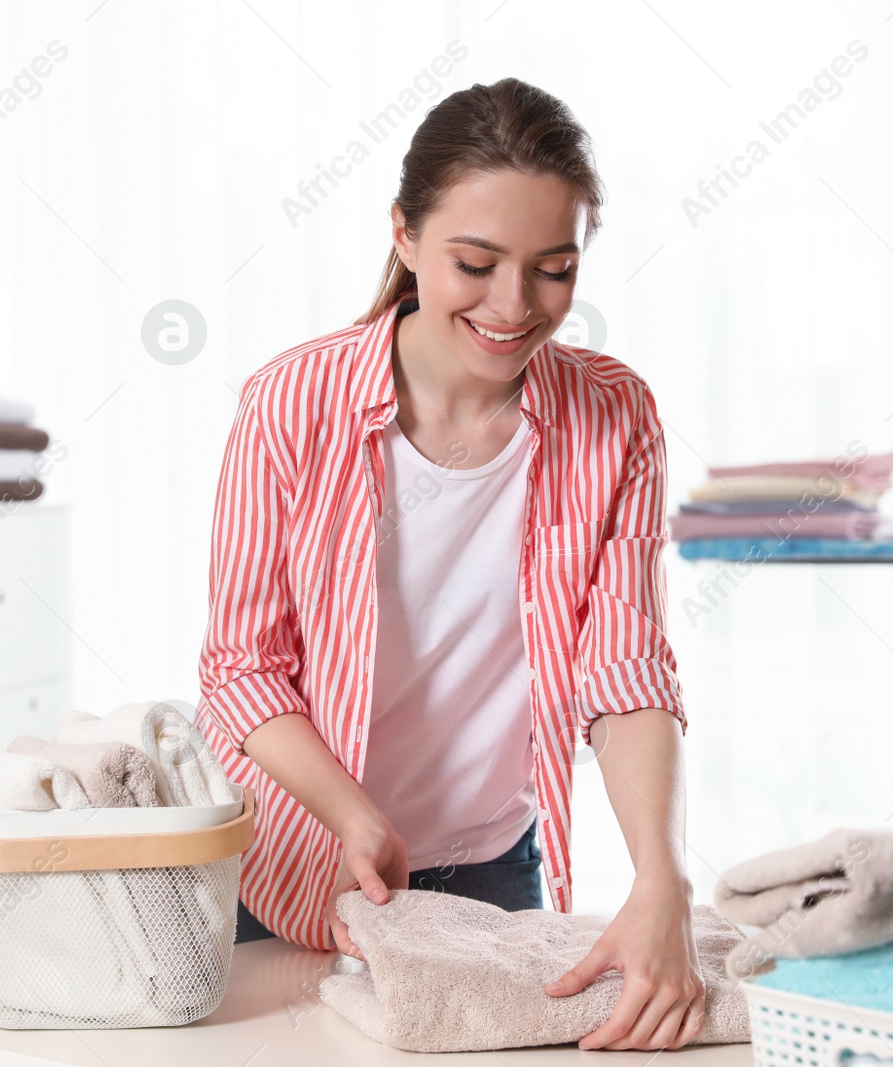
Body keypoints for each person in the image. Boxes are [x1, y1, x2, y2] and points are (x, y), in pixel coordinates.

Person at [195, 76, 704, 1051]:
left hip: (488, 864)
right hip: (290, 859)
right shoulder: (290, 405)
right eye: (475, 261)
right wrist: (353, 812)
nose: (514, 306)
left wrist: (660, 874)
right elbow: (239, 669)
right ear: (404, 236)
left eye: (554, 268)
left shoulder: (615, 416)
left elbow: (624, 663)